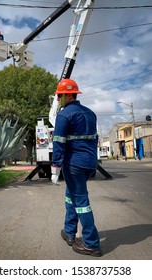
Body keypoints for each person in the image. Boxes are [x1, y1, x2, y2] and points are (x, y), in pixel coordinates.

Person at [51, 78, 102, 257]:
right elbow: (93, 139)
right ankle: (69, 232)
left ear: (67, 95)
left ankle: (91, 243)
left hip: (74, 164)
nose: (58, 100)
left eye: (59, 96)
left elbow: (58, 142)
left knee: (81, 202)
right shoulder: (91, 114)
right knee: (71, 196)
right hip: (89, 163)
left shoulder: (64, 115)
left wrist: (55, 166)